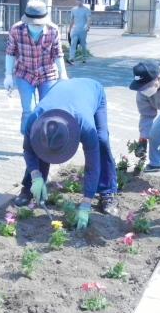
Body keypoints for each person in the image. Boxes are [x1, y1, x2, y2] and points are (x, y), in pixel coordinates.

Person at [13, 78, 119, 228]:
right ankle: (30, 187)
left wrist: (86, 203)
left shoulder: (85, 125)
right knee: (44, 144)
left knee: (101, 140)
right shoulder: (35, 118)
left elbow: (92, 165)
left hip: (92, 90)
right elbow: (29, 150)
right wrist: (36, 176)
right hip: (62, 89)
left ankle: (107, 191)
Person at [4, 0, 68, 134]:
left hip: (47, 74)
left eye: (39, 24)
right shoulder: (16, 30)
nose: (36, 26)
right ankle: (28, 142)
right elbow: (10, 53)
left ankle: (42, 142)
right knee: (29, 110)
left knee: (46, 110)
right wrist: (8, 76)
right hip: (24, 73)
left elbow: (58, 53)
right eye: (33, 24)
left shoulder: (53, 30)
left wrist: (63, 74)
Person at [68, 0, 92, 64]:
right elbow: (72, 20)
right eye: (77, 0)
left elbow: (89, 19)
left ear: (82, 1)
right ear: (76, 1)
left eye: (80, 0)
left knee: (83, 44)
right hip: (74, 29)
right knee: (73, 43)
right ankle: (71, 58)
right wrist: (69, 29)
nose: (79, 1)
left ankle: (84, 57)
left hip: (83, 29)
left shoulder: (86, 10)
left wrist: (87, 26)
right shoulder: (73, 9)